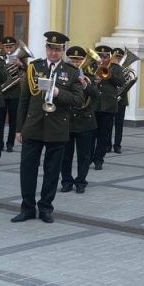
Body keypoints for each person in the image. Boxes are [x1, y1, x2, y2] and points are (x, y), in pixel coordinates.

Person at [12, 31, 84, 223]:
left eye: (58, 49)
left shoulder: (71, 71)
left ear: (63, 51)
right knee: (28, 170)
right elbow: (24, 100)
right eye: (51, 49)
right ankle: (27, 208)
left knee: (52, 172)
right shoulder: (34, 68)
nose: (54, 53)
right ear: (46, 49)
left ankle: (45, 208)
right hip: (33, 125)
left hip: (57, 128)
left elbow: (78, 100)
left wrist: (59, 92)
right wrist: (19, 129)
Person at [61, 45, 99, 194]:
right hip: (67, 120)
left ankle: (81, 181)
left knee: (84, 155)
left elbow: (96, 95)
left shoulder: (89, 76)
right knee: (65, 154)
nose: (75, 63)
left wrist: (85, 85)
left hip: (85, 121)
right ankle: (66, 181)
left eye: (79, 60)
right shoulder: (63, 76)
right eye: (73, 60)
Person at [91, 44, 124, 170]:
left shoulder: (115, 68)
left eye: (105, 56)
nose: (103, 59)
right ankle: (88, 157)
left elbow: (121, 82)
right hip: (93, 105)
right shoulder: (91, 66)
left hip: (108, 106)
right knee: (90, 134)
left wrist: (109, 75)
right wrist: (94, 80)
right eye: (100, 56)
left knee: (103, 135)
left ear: (109, 56)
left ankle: (99, 159)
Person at [0, 36, 25, 152]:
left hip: (15, 93)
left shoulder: (21, 59)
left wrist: (21, 66)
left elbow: (27, 74)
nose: (9, 49)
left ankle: (10, 144)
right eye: (7, 47)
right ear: (4, 48)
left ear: (15, 47)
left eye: (11, 46)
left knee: (13, 120)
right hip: (1, 93)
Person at [110, 47, 129, 154]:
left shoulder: (124, 69)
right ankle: (107, 144)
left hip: (121, 99)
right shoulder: (109, 67)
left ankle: (117, 145)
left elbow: (126, 83)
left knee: (119, 124)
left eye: (120, 57)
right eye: (115, 56)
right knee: (108, 124)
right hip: (110, 99)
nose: (117, 59)